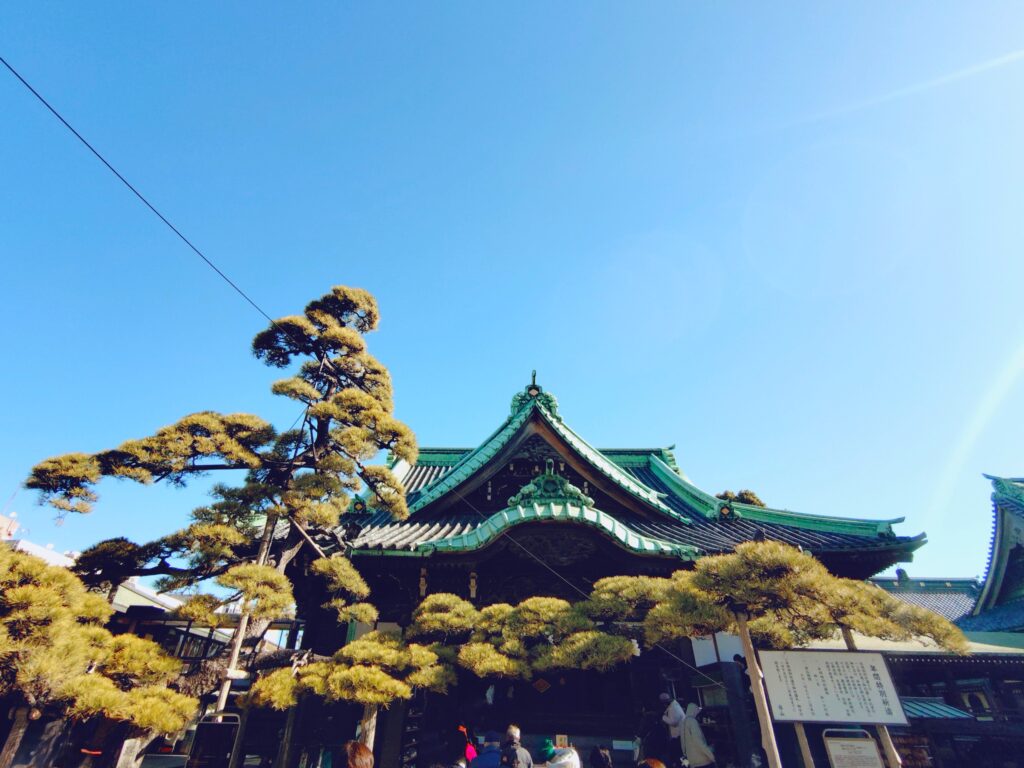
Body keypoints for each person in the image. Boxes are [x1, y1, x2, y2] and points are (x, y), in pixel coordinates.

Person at [659, 693, 684, 765]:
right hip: (677, 735)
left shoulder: (674, 707)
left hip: (679, 735)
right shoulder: (672, 706)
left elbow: (673, 722)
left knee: (678, 754)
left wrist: (663, 717)